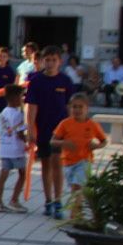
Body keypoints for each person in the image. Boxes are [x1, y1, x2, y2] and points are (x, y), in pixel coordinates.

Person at [24, 46, 77, 219]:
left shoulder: (66, 81)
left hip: (60, 131)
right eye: (47, 60)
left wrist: (73, 128)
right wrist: (31, 129)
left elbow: (71, 107)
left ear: (60, 62)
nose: (51, 63)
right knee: (46, 165)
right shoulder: (36, 81)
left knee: (58, 165)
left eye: (54, 60)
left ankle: (58, 200)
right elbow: (31, 108)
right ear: (42, 61)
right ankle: (47, 200)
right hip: (43, 129)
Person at [50, 94, 107, 220]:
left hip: (85, 160)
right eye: (74, 107)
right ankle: (79, 210)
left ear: (87, 108)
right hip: (68, 162)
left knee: (78, 186)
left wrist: (96, 146)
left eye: (80, 107)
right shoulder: (65, 124)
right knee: (74, 188)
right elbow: (52, 141)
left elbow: (104, 141)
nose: (77, 110)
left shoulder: (92, 125)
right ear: (69, 108)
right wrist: (64, 143)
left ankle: (74, 215)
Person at [0, 84, 29, 213]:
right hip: (16, 149)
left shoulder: (3, 113)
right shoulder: (19, 115)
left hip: (4, 150)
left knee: (3, 175)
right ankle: (14, 200)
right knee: (22, 174)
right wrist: (27, 141)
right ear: (14, 98)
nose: (23, 99)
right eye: (21, 96)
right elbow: (20, 133)